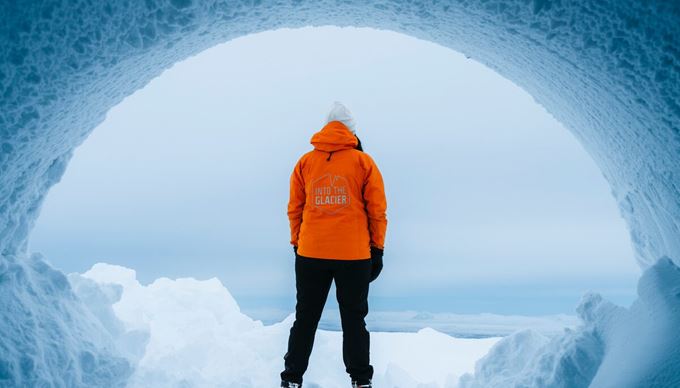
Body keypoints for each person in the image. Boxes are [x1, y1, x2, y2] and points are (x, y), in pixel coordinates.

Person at [280, 102, 387, 388]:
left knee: (305, 317)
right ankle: (361, 380)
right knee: (353, 319)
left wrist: (297, 243)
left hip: (311, 253)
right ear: (352, 131)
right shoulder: (364, 162)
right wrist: (377, 250)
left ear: (325, 127)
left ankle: (291, 379)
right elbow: (377, 211)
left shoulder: (305, 162)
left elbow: (295, 208)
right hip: (354, 256)